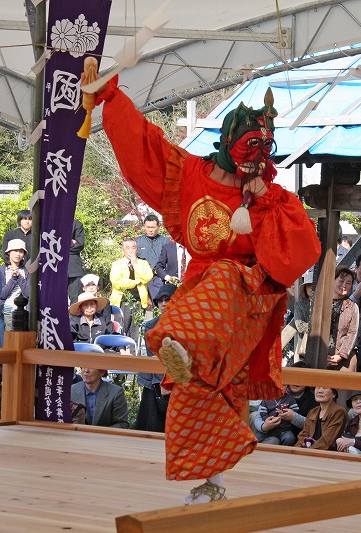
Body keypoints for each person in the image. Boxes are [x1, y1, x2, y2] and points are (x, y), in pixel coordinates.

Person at [84, 59, 320, 503]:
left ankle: (180, 343)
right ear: (230, 142)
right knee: (199, 387)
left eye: (265, 146)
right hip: (199, 293)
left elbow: (299, 255)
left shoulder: (275, 196)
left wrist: (265, 202)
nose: (258, 155)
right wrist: (111, 99)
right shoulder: (190, 176)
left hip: (247, 295)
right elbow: (147, 147)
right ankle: (211, 482)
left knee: (225, 275)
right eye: (251, 143)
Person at [134, 283, 177, 432]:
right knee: (151, 425)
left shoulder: (185, 323)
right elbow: (155, 355)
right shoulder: (151, 325)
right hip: (156, 378)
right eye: (161, 300)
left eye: (168, 299)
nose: (164, 303)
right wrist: (163, 383)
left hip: (179, 377)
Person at [109, 238, 153, 341]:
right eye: (127, 248)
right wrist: (135, 282)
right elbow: (116, 282)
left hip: (139, 301)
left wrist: (135, 264)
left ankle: (134, 353)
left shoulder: (143, 263)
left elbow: (147, 277)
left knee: (136, 330)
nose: (131, 250)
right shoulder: (117, 264)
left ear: (137, 250)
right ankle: (122, 351)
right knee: (122, 328)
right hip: (123, 301)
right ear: (122, 250)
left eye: (133, 247)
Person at [0, 238, 29, 343]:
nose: (18, 254)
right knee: (9, 344)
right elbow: (1, 294)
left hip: (24, 313)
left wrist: (19, 276)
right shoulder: (1, 271)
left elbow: (28, 293)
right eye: (15, 251)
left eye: (20, 251)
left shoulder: (26, 271)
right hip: (6, 312)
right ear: (8, 253)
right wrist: (13, 278)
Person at [327, 265, 359, 372]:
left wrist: (341, 355)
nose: (344, 285)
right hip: (320, 354)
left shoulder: (352, 306)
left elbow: (352, 333)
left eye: (348, 283)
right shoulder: (320, 303)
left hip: (344, 357)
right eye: (341, 280)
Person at [136, 214, 171, 300]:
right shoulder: (137, 242)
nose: (150, 230)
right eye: (148, 227)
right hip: (141, 279)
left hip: (159, 278)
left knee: (158, 302)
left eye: (153, 227)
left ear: (158, 227)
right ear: (144, 226)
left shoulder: (165, 242)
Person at [67, 219, 86, 301]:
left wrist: (61, 245)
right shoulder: (52, 223)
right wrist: (70, 241)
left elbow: (79, 245)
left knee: (75, 301)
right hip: (55, 268)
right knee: (56, 301)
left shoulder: (77, 224)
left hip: (74, 268)